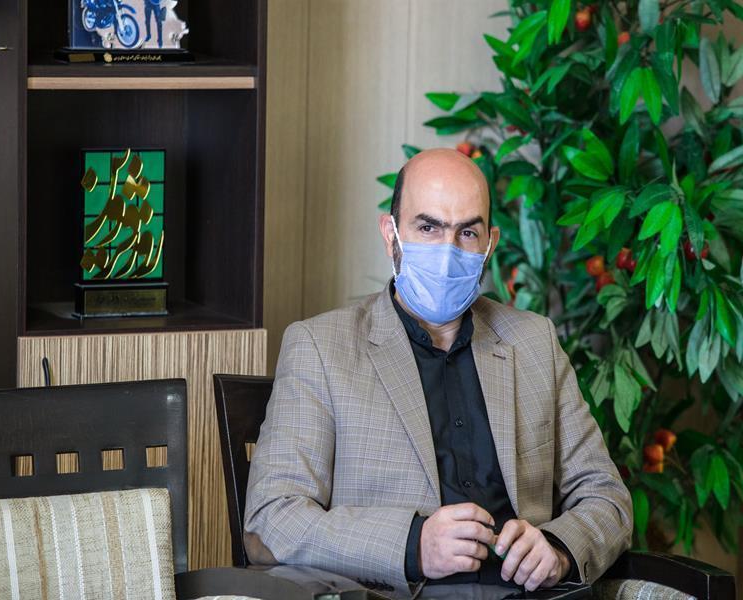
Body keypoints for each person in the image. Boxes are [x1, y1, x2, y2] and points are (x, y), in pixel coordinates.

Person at [244, 148, 633, 599]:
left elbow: (606, 496)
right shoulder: (321, 347)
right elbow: (270, 523)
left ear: (489, 244)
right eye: (428, 228)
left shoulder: (534, 342)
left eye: (467, 232)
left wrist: (559, 548)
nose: (448, 252)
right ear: (390, 234)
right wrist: (412, 545)